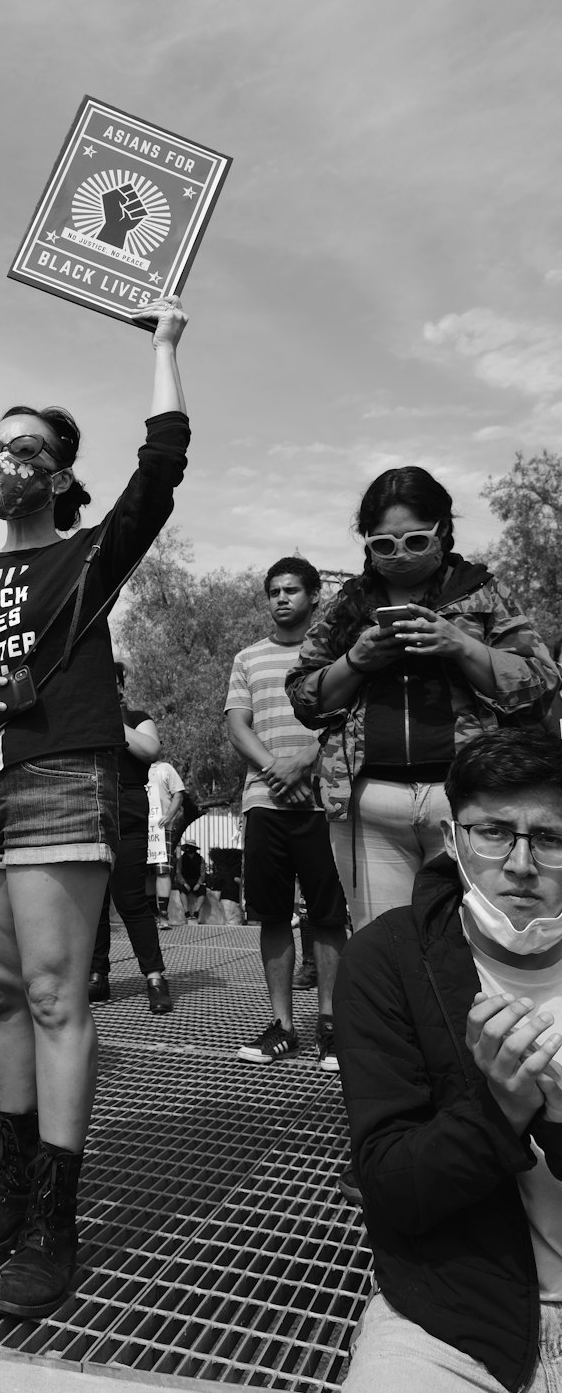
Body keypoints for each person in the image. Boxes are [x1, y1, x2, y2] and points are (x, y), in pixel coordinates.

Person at [0, 296, 190, 1319]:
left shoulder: (84, 560)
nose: (11, 461)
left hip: (54, 779)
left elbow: (160, 470)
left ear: (60, 475)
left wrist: (164, 346)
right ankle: (6, 1179)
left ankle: (53, 1218)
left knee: (51, 994)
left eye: (31, 448)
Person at [334, 729, 562, 1392]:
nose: (520, 863)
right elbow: (393, 1189)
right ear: (452, 836)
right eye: (493, 832)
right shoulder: (386, 959)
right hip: (449, 1321)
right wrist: (500, 1107)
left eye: (550, 839)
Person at [286, 467, 558, 933]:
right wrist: (356, 659)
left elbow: (541, 683)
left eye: (415, 540)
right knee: (383, 944)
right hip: (369, 805)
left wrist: (461, 645)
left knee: (473, 939)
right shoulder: (347, 605)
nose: (400, 555)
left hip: (469, 802)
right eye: (383, 545)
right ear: (366, 542)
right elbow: (303, 696)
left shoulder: (483, 593)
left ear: (442, 531)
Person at [226, 557, 348, 1069]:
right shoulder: (247, 658)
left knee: (328, 917)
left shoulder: (337, 656)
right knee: (272, 916)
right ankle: (283, 1026)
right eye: (273, 590)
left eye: (292, 590)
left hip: (324, 802)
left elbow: (350, 721)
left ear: (315, 596)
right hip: (264, 803)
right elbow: (237, 726)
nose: (281, 598)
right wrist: (276, 768)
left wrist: (306, 762)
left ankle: (333, 1026)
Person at [88, 662, 172, 1014]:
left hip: (128, 808)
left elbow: (149, 750)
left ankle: (154, 977)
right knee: (93, 901)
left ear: (121, 685)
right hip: (90, 807)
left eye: (111, 680)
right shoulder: (83, 717)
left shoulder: (137, 717)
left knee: (130, 899)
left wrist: (111, 717)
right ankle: (96, 975)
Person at [147, 759, 184, 926]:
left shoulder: (166, 768)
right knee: (146, 871)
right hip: (141, 829)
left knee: (162, 870)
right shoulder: (136, 768)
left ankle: (163, 915)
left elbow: (179, 793)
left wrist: (169, 815)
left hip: (162, 829)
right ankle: (151, 914)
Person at [174, 840, 207, 921]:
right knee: (182, 890)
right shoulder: (181, 859)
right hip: (185, 880)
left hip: (196, 881)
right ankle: (187, 912)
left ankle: (196, 912)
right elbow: (178, 873)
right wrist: (184, 883)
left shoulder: (200, 859)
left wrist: (199, 884)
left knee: (202, 890)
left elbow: (202, 873)